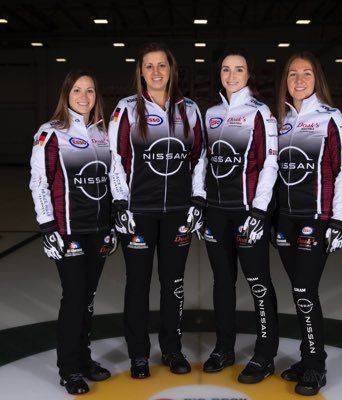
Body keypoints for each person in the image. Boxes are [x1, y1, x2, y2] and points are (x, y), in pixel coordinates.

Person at [108, 42, 206, 379]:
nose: (156, 72)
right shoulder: (125, 109)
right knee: (137, 285)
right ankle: (138, 355)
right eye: (148, 66)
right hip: (139, 212)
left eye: (161, 65)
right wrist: (120, 202)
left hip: (178, 212)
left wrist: (197, 199)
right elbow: (115, 161)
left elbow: (200, 159)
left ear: (171, 68)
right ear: (140, 71)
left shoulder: (189, 109)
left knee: (173, 285)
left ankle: (172, 349)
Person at [29, 70, 116, 395]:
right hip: (68, 231)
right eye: (77, 90)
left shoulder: (102, 134)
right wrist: (48, 226)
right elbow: (39, 182)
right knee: (75, 297)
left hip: (98, 231)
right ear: (66, 94)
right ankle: (69, 369)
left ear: (97, 96)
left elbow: (110, 182)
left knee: (87, 299)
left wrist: (111, 224)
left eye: (90, 91)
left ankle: (84, 358)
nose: (83, 97)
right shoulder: (50, 134)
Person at [275, 51, 342, 396]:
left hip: (316, 219)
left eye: (306, 73)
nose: (299, 80)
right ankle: (308, 356)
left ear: (317, 78)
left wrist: (339, 218)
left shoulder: (331, 118)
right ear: (286, 81)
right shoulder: (280, 119)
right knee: (299, 290)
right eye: (293, 74)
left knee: (305, 291)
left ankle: (317, 366)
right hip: (283, 220)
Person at [202, 49, 279, 384]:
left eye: (239, 70)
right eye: (226, 70)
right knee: (222, 283)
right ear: (219, 74)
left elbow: (270, 164)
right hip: (215, 214)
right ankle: (224, 348)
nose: (232, 76)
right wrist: (199, 202)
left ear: (249, 75)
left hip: (248, 212)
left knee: (258, 282)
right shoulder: (211, 113)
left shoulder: (261, 113)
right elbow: (202, 161)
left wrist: (260, 210)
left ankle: (265, 354)